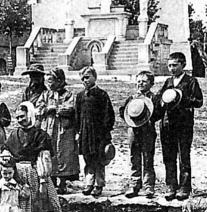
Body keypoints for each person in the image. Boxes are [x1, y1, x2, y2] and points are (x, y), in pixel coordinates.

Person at [0, 103, 63, 212]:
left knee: (41, 204)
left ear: (30, 115)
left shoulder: (40, 135)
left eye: (22, 116)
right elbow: (7, 150)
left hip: (35, 174)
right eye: (17, 118)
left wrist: (43, 182)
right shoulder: (14, 134)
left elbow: (43, 159)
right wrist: (5, 158)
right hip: (16, 174)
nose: (20, 120)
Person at [156, 52, 203, 201]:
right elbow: (159, 98)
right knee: (168, 156)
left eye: (175, 65)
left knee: (183, 155)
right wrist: (163, 101)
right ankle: (171, 185)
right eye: (169, 65)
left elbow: (199, 101)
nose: (171, 68)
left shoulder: (190, 81)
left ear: (183, 65)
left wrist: (183, 99)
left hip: (183, 124)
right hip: (167, 124)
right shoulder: (168, 82)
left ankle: (184, 187)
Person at [36, 68, 79, 195]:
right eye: (47, 82)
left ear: (60, 81)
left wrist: (57, 108)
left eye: (51, 82)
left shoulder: (68, 95)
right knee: (50, 152)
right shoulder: (45, 94)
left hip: (63, 128)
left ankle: (63, 182)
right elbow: (39, 108)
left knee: (64, 153)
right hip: (48, 127)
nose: (49, 85)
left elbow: (71, 108)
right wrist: (45, 109)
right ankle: (52, 180)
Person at [74, 66, 115, 197]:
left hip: (99, 134)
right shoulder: (80, 96)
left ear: (94, 77)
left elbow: (109, 115)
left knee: (99, 158)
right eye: (82, 79)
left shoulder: (102, 95)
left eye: (87, 77)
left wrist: (104, 131)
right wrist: (78, 131)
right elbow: (77, 115)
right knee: (88, 158)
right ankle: (89, 183)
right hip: (85, 133)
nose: (85, 81)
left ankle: (99, 184)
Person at [119, 71, 160, 198]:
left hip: (148, 131)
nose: (140, 83)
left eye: (144, 81)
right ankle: (134, 185)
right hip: (133, 131)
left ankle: (149, 187)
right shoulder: (132, 98)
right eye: (138, 81)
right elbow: (123, 111)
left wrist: (149, 117)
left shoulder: (153, 98)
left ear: (151, 84)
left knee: (148, 159)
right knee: (134, 158)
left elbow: (158, 113)